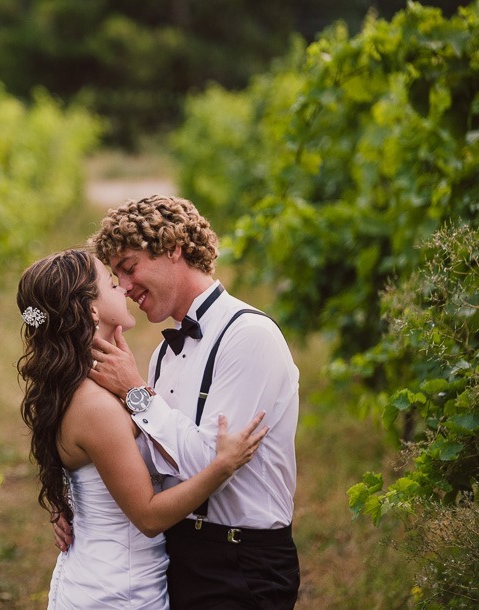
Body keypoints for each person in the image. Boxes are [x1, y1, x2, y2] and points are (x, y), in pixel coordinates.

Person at [56, 195, 301, 609]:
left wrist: (136, 393)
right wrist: (74, 499)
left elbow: (209, 462)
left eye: (130, 268)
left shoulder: (249, 337)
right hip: (181, 554)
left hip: (242, 561)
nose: (126, 288)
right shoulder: (162, 356)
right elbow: (153, 462)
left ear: (173, 249)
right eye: (116, 276)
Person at [17, 248, 269, 608]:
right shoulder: (95, 405)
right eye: (109, 281)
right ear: (91, 309)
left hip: (121, 578)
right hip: (116, 591)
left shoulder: (89, 385)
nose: (122, 287)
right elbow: (149, 517)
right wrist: (221, 467)